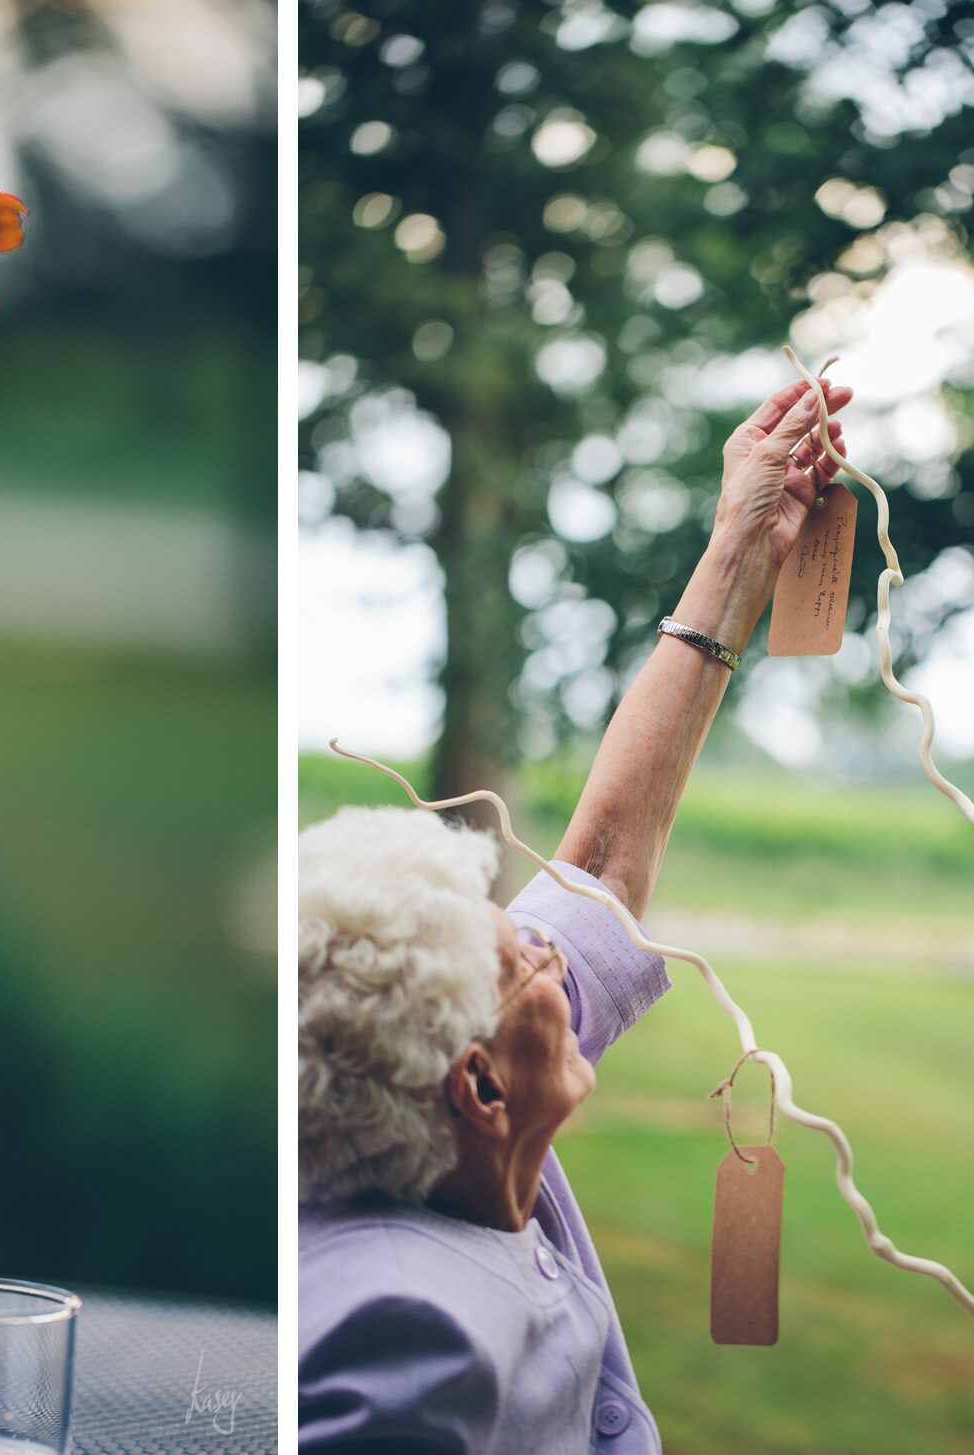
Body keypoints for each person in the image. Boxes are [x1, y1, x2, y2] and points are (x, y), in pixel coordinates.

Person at [298, 377, 852, 1452]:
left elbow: (599, 863)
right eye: (526, 959)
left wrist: (744, 546)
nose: (556, 955)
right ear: (478, 1084)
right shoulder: (390, 1334)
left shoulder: (430, 1122)